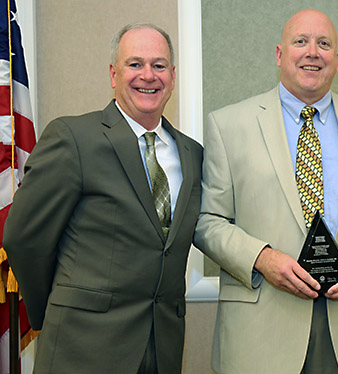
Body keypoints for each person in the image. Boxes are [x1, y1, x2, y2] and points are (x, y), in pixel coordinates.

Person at [194, 8, 338, 374]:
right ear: (280, 54)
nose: (313, 52)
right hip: (259, 333)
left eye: (324, 43)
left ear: (337, 59)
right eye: (301, 41)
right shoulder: (228, 124)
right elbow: (208, 221)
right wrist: (262, 258)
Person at [3, 22, 203, 374]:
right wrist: (59, 309)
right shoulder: (73, 138)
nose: (148, 75)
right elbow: (24, 239)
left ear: (172, 76)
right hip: (81, 348)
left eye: (159, 66)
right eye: (134, 64)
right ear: (113, 74)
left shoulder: (192, 154)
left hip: (162, 350)